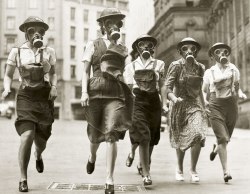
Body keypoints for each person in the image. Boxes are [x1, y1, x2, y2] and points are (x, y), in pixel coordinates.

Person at [1, 16, 57, 192]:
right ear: (26, 32)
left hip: (44, 97)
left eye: (40, 30)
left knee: (42, 141)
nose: (36, 34)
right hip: (25, 96)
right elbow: (9, 74)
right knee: (27, 136)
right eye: (32, 30)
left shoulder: (49, 51)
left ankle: (38, 154)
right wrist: (7, 88)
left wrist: (54, 86)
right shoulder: (16, 51)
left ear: (44, 33)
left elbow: (53, 73)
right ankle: (23, 178)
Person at [80, 8, 132, 194]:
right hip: (95, 91)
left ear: (120, 25)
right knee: (95, 136)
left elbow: (123, 74)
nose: (113, 26)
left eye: (116, 22)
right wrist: (84, 92)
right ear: (102, 26)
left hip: (115, 93)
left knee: (112, 134)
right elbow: (85, 71)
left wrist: (129, 92)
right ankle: (92, 156)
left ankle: (109, 180)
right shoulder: (93, 44)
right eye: (108, 22)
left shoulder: (123, 49)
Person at [123, 34, 167, 185]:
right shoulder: (130, 67)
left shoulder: (160, 64)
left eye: (150, 44)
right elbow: (128, 90)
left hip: (154, 102)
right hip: (138, 101)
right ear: (137, 48)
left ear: (153, 48)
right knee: (143, 136)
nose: (146, 47)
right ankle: (146, 174)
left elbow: (162, 85)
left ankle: (143, 163)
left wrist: (165, 103)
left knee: (152, 137)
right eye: (142, 44)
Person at [202, 42, 247, 183]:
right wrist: (205, 102)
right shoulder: (209, 72)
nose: (222, 54)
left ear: (228, 54)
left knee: (225, 138)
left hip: (231, 104)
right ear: (213, 55)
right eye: (218, 51)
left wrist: (240, 93)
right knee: (223, 137)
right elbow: (204, 91)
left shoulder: (233, 69)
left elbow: (237, 85)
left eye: (225, 51)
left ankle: (216, 148)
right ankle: (226, 171)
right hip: (215, 105)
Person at [165, 37, 207, 182]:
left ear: (196, 51)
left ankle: (193, 169)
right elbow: (168, 88)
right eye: (185, 48)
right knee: (180, 136)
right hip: (178, 105)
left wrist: (204, 106)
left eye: (192, 48)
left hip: (194, 105)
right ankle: (179, 168)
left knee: (198, 133)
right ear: (180, 51)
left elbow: (199, 89)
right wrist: (174, 99)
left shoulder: (200, 67)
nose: (189, 51)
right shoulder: (176, 66)